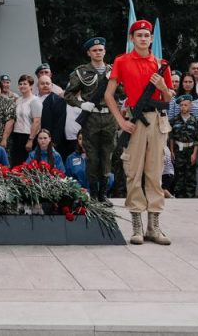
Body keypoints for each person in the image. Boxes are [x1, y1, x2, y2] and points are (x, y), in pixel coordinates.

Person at [104, 19, 174, 245]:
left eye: (147, 35)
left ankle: (153, 226)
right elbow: (108, 95)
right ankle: (136, 225)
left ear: (152, 39)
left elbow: (169, 98)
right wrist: (120, 122)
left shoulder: (161, 64)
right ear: (132, 39)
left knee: (155, 172)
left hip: (157, 121)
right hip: (134, 120)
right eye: (139, 35)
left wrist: (163, 88)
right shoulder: (122, 61)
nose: (143, 38)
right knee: (134, 171)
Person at [64, 37, 118, 202]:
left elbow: (122, 92)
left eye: (101, 49)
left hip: (109, 117)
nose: (98, 52)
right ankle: (94, 193)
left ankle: (103, 193)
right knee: (93, 157)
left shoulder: (113, 70)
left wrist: (118, 81)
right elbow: (68, 94)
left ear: (105, 51)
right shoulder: (81, 72)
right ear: (89, 53)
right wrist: (82, 104)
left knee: (107, 156)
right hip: (91, 117)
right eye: (94, 50)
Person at [169, 95, 198, 199]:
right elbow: (171, 137)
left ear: (190, 106)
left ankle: (190, 196)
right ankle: (179, 196)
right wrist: (172, 151)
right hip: (178, 151)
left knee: (190, 175)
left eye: (185, 105)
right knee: (178, 175)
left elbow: (197, 139)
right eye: (181, 105)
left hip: (190, 150)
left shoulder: (195, 120)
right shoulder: (174, 120)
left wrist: (194, 154)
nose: (183, 107)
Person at [10, 75, 42, 166]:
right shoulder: (18, 100)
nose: (22, 86)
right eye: (20, 84)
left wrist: (30, 140)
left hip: (28, 136)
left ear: (31, 86)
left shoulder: (35, 100)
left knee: (27, 164)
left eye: (25, 84)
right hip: (16, 135)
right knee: (17, 163)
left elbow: (36, 121)